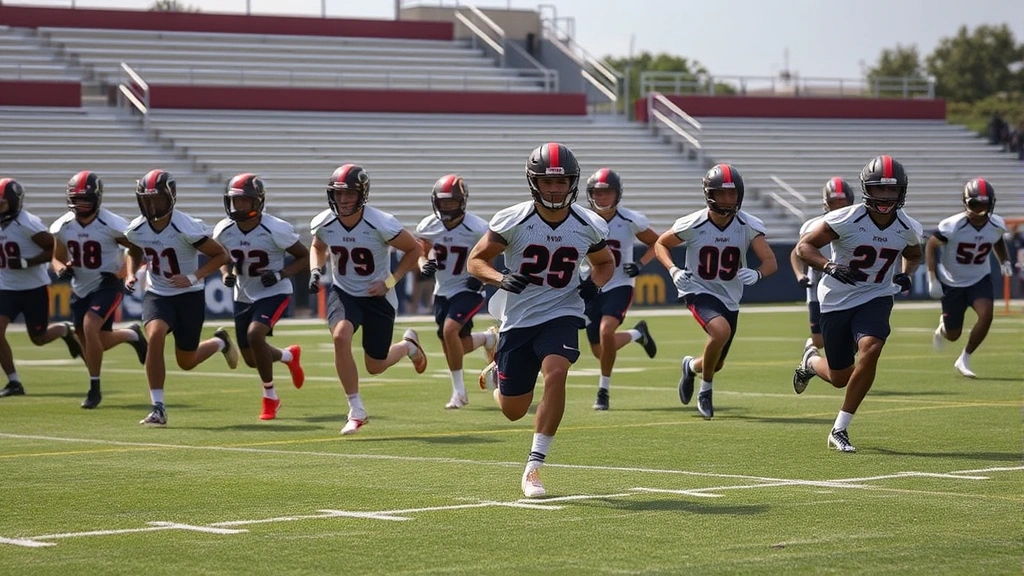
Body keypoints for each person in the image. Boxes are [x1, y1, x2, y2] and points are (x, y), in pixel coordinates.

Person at [468, 142, 614, 498]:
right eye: (547, 182)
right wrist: (500, 278)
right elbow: (476, 261)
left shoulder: (587, 223)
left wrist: (594, 285)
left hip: (562, 312)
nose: (554, 189)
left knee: (557, 371)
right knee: (513, 410)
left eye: (561, 182)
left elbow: (604, 263)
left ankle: (534, 466)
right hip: (518, 318)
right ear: (534, 182)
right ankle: (497, 363)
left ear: (572, 183)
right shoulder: (514, 220)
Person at [793, 155, 923, 453]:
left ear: (902, 190)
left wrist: (906, 274)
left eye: (891, 189)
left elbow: (914, 255)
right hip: (836, 299)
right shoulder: (846, 218)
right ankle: (810, 362)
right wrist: (829, 266)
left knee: (872, 347)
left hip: (876, 295)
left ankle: (840, 428)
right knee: (839, 377)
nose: (885, 196)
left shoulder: (907, 226)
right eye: (879, 189)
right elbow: (804, 247)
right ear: (866, 189)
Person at [309, 164, 427, 435]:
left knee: (375, 366)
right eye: (338, 194)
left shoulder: (381, 223)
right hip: (344, 292)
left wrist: (390, 282)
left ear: (362, 194)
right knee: (340, 336)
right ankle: (356, 410)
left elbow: (414, 249)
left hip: (378, 297)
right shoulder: (324, 221)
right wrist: (316, 269)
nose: (343, 199)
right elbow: (317, 246)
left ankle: (408, 346)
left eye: (349, 193)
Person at [655, 163, 777, 420]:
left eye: (732, 193)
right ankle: (706, 390)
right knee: (721, 332)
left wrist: (758, 273)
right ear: (709, 194)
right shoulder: (694, 222)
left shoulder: (748, 225)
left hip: (730, 296)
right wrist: (673, 270)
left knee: (716, 362)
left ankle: (690, 366)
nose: (727, 199)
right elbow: (661, 244)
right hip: (698, 289)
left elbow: (770, 262)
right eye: (721, 193)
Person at [124, 169, 236, 426]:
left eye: (157, 199)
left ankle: (219, 342)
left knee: (187, 361)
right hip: (158, 294)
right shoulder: (137, 228)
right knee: (155, 335)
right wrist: (130, 274)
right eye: (147, 200)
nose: (152, 205)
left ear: (170, 197)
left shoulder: (185, 227)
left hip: (189, 296)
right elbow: (133, 250)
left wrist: (193, 277)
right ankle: (158, 407)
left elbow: (221, 255)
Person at [213, 173, 309, 420]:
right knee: (252, 359)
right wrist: (225, 273)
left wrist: (280, 274)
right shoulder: (224, 229)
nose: (239, 205)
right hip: (243, 293)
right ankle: (288, 356)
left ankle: (270, 397)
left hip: (274, 291)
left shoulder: (275, 228)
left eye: (244, 200)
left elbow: (305, 257)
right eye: (235, 200)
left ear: (257, 202)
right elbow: (222, 258)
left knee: (255, 334)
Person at [50, 171, 149, 408]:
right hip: (81, 287)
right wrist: (61, 269)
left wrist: (121, 273)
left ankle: (94, 388)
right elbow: (56, 257)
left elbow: (139, 250)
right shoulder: (63, 226)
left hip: (107, 284)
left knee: (89, 326)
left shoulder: (112, 224)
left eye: (86, 199)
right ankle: (132, 334)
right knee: (93, 340)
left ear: (97, 198)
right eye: (77, 199)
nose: (81, 205)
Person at [414, 174, 497, 409]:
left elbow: (491, 254)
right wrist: (423, 265)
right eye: (443, 202)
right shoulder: (428, 226)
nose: (447, 207)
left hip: (468, 289)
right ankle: (488, 338)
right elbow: (422, 252)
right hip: (442, 290)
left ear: (462, 202)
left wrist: (480, 279)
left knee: (450, 330)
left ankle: (459, 393)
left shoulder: (478, 228)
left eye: (451, 202)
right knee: (454, 344)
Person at [580, 168, 659, 411]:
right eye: (597, 192)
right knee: (600, 351)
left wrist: (640, 264)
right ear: (590, 194)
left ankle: (603, 391)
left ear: (617, 194)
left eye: (608, 192)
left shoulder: (629, 220)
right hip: (592, 286)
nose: (602, 197)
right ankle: (638, 334)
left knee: (606, 331)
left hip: (620, 284)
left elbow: (657, 242)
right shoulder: (582, 219)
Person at [0, 178, 82, 398]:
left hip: (33, 287)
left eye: (2, 204)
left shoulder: (27, 223)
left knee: (39, 338)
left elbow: (54, 250)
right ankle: (14, 382)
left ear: (14, 202)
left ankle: (64, 330)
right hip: (5, 287)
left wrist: (27, 262)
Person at [926, 178, 1014, 377]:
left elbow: (997, 240)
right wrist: (932, 277)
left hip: (979, 278)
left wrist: (1005, 261)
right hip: (952, 282)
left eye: (984, 205)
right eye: (975, 204)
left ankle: (964, 357)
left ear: (991, 204)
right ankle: (943, 329)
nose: (979, 210)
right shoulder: (952, 225)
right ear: (966, 203)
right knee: (953, 335)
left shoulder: (996, 224)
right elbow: (931, 244)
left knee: (986, 314)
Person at [788, 178, 855, 365]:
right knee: (819, 340)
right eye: (835, 201)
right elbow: (797, 252)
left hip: (849, 288)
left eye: (842, 201)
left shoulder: (858, 225)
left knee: (853, 338)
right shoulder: (813, 226)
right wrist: (800, 275)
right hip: (819, 288)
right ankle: (811, 352)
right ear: (826, 203)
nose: (839, 206)